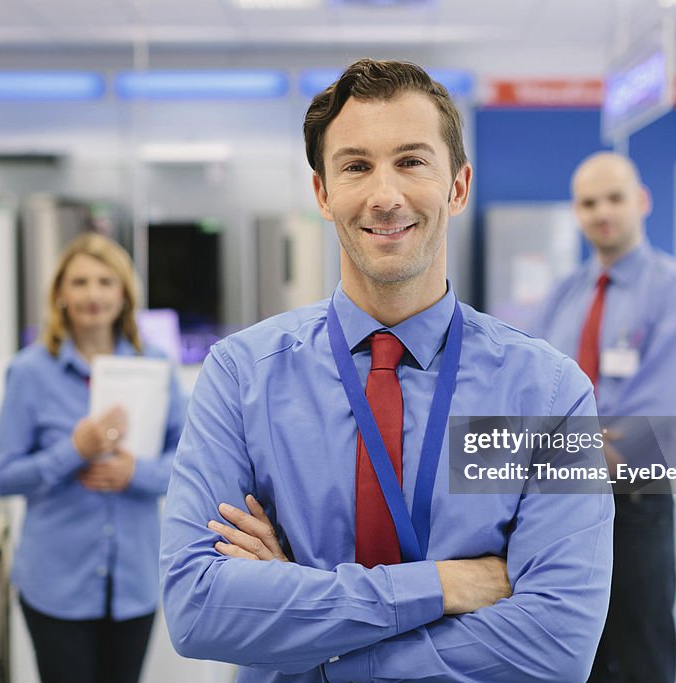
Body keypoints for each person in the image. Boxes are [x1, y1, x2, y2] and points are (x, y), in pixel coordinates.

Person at [160, 59, 613, 683]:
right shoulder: (240, 379)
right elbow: (199, 608)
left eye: (411, 161)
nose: (384, 194)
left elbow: (558, 642)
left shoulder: (550, 393)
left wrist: (316, 637)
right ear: (322, 193)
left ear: (457, 187)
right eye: (355, 166)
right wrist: (442, 586)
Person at [536, 152, 676, 683]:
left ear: (642, 201)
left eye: (614, 198)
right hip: (562, 510)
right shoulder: (564, 295)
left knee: (640, 657)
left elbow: (645, 428)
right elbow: (536, 396)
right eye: (589, 203)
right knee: (573, 657)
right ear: (576, 212)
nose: (602, 212)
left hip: (634, 507)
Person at [0, 233, 186, 683]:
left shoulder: (155, 366)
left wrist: (136, 472)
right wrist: (71, 452)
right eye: (79, 282)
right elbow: (1, 478)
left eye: (104, 281)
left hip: (134, 580)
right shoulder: (29, 373)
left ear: (124, 294)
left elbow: (189, 464)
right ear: (60, 293)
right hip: (56, 583)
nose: (93, 294)